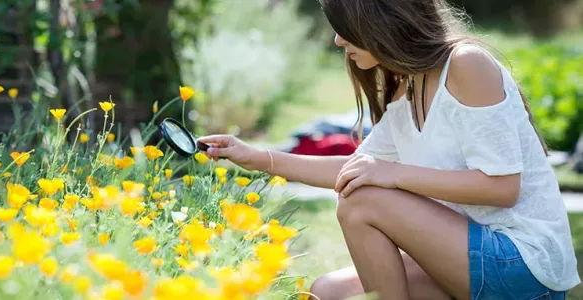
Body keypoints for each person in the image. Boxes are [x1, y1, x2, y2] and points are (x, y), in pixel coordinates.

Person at [198, 0, 580, 299]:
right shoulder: (408, 86)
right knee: (326, 292)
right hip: (472, 255)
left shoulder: (466, 65)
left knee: (361, 200)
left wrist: (395, 175)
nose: (336, 40)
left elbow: (502, 188)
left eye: (343, 27)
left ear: (379, 19)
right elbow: (357, 167)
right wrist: (258, 158)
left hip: (525, 266)